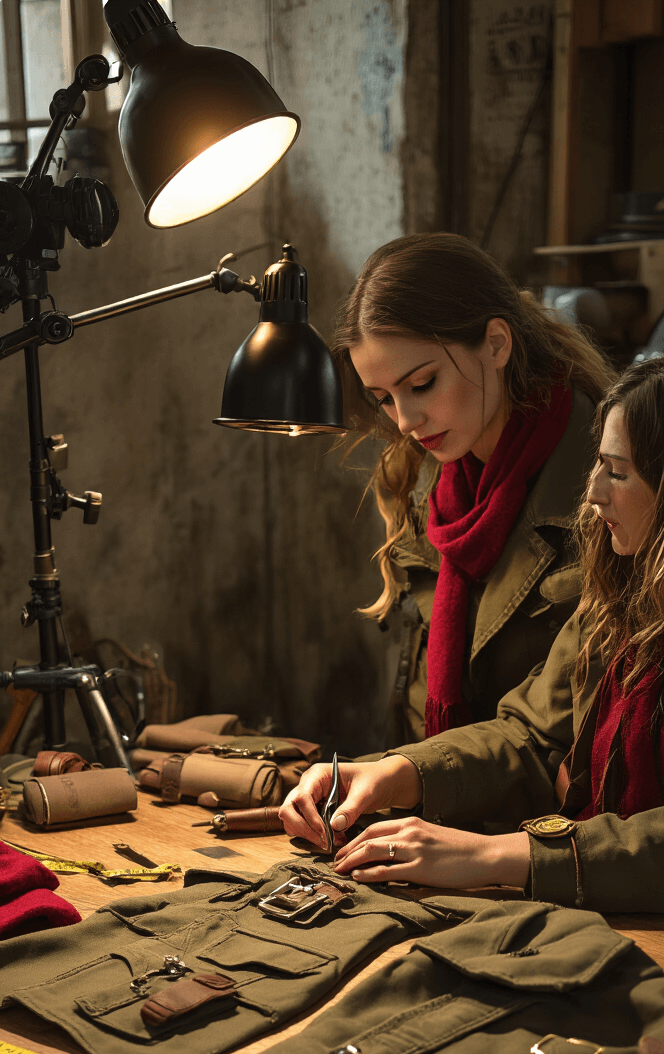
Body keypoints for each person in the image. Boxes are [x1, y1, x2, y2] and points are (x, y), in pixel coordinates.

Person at [281, 358, 664, 914]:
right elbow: (531, 736)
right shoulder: (620, 602)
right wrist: (394, 772)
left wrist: (494, 855)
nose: (594, 493)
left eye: (619, 472)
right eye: (597, 466)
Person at [332, 233, 614, 743]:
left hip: (538, 817)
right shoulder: (429, 483)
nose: (404, 421)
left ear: (497, 344)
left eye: (421, 385)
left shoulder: (605, 487)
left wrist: (405, 776)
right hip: (430, 801)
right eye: (383, 398)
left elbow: (553, 736)